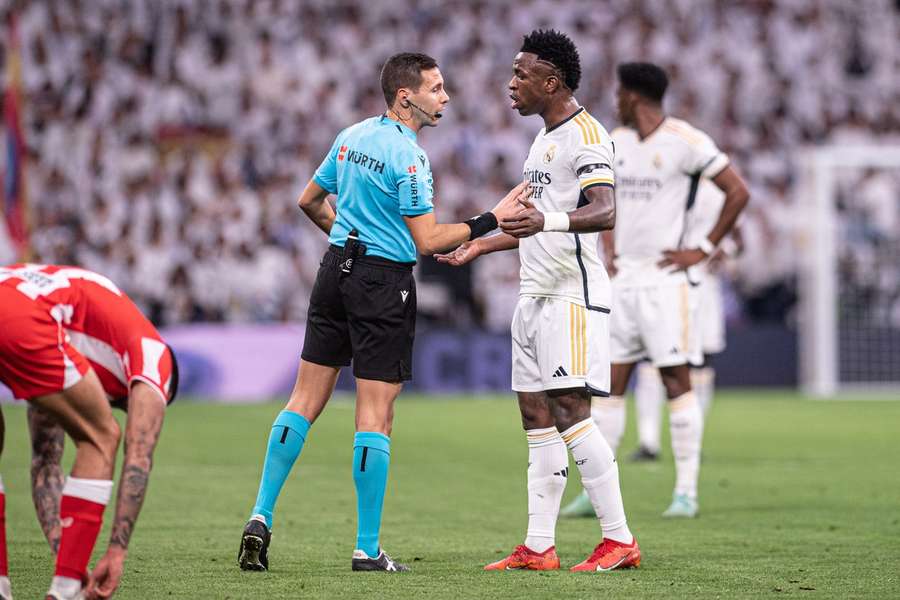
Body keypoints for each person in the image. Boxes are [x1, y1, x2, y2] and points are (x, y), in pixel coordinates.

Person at [237, 52, 527, 573]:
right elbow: (430, 239)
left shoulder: (350, 136)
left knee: (302, 400)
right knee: (375, 416)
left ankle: (260, 516)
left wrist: (349, 240)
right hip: (381, 284)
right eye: (436, 89)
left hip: (334, 271)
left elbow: (309, 200)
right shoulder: (409, 157)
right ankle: (366, 549)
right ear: (405, 96)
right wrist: (491, 218)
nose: (446, 97)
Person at [437, 30, 639, 572]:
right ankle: (538, 546)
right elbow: (530, 223)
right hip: (533, 293)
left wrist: (545, 220)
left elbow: (605, 210)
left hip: (571, 295)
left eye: (521, 75)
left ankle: (620, 539)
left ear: (552, 82)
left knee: (571, 410)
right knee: (535, 416)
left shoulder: (588, 135)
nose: (511, 84)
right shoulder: (542, 139)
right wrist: (479, 245)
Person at [563, 62, 749, 520]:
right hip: (624, 280)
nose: (615, 102)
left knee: (675, 380)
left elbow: (738, 191)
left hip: (667, 284)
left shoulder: (687, 141)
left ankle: (686, 491)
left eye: (620, 93)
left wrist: (702, 249)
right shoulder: (615, 142)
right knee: (612, 387)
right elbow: (599, 201)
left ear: (634, 97)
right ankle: (597, 493)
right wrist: (608, 245)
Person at [2, 263, 181, 599]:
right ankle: (67, 590)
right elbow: (139, 455)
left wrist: (64, 547)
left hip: (13, 293)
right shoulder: (155, 357)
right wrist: (116, 552)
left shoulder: (79, 341)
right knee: (103, 437)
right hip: (22, 315)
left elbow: (45, 459)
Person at [626, 182, 741, 463]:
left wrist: (726, 250)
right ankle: (648, 441)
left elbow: (738, 234)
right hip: (660, 280)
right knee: (651, 361)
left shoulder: (715, 190)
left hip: (701, 286)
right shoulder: (659, 181)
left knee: (701, 363)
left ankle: (693, 440)